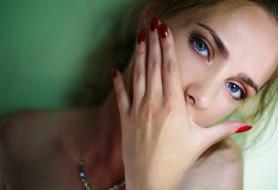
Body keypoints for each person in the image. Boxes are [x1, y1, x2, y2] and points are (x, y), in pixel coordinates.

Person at [0, 0, 277, 189]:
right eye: (202, 46)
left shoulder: (215, 173)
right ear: (149, 18)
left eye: (235, 88)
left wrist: (149, 182)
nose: (201, 96)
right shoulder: (19, 143)